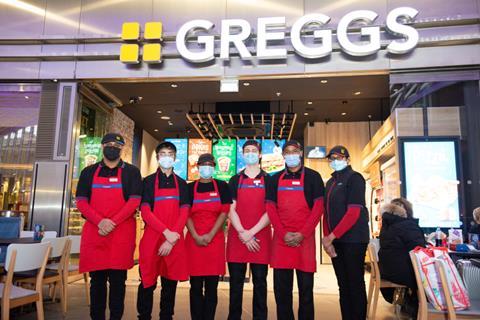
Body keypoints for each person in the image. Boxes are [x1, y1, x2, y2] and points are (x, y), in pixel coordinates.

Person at [76, 133, 142, 320]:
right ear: (102, 146)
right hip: (95, 233)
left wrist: (111, 222)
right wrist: (100, 221)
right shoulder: (88, 172)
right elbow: (81, 201)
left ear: (122, 148)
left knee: (118, 283)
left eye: (117, 144)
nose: (113, 147)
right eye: (109, 144)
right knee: (96, 283)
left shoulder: (131, 172)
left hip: (120, 235)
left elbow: (134, 201)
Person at [266, 140, 325, 320]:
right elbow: (270, 207)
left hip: (304, 240)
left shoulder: (314, 177)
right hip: (281, 240)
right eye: (287, 152)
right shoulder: (274, 178)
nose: (291, 154)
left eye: (295, 151)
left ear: (300, 153)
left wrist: (303, 233)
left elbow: (318, 208)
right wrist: (283, 233)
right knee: (281, 291)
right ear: (283, 155)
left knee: (306, 291)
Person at [137, 141, 190, 320]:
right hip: (152, 238)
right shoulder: (148, 182)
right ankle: (143, 316)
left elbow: (184, 212)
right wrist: (166, 233)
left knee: (170, 284)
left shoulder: (182, 184)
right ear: (158, 157)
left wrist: (171, 238)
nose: (166, 157)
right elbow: (145, 210)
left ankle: (166, 316)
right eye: (163, 154)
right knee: (146, 282)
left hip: (173, 240)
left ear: (175, 158)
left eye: (170, 154)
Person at [322, 145, 369, 320]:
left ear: (347, 160)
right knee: (343, 285)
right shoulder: (330, 182)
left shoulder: (355, 178)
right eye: (332, 158)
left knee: (354, 283)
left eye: (339, 157)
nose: (335, 161)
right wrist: (328, 240)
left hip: (354, 240)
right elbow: (325, 212)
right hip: (337, 242)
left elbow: (353, 212)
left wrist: (331, 237)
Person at [227, 140, 271, 320]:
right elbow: (230, 208)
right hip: (238, 237)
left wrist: (251, 232)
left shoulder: (269, 179)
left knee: (260, 283)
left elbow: (270, 211)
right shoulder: (235, 179)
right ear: (243, 155)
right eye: (247, 151)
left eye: (254, 150)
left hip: (260, 236)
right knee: (235, 284)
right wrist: (243, 233)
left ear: (260, 154)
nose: (250, 153)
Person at [186, 153, 232, 320]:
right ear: (198, 167)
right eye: (203, 164)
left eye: (210, 164)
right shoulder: (189, 188)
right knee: (195, 286)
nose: (206, 167)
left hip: (215, 241)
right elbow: (186, 214)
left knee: (212, 287)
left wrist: (211, 234)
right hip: (194, 240)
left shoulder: (222, 186)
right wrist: (196, 236)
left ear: (214, 167)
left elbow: (225, 211)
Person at [378, 198, 426, 318]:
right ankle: (421, 306)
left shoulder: (387, 226)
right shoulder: (407, 226)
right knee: (428, 273)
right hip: (402, 273)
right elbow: (419, 249)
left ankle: (409, 302)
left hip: (387, 271)